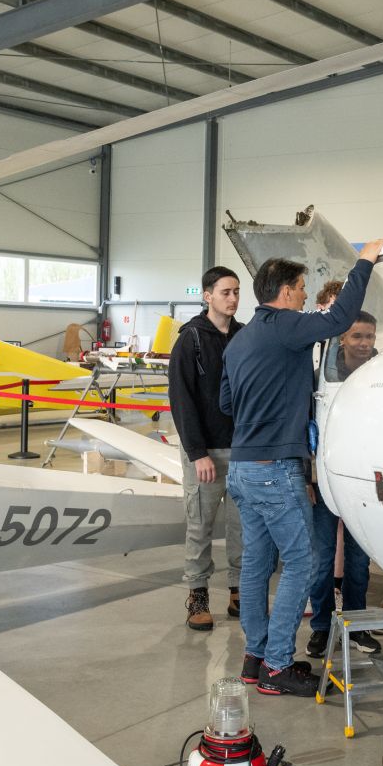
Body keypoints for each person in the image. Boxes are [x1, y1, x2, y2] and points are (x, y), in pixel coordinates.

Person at [222, 240, 383, 696]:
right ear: (286, 292)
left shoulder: (240, 341)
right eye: (300, 287)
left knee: (256, 564)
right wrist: (365, 262)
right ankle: (277, 666)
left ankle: (255, 658)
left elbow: (226, 403)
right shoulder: (286, 326)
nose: (303, 295)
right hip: (275, 469)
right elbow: (339, 319)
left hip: (242, 468)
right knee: (301, 562)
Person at [168, 265, 244, 632]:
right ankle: (197, 594)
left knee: (243, 527)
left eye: (237, 292)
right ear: (207, 295)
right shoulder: (190, 340)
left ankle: (239, 590)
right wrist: (197, 453)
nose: (233, 298)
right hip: (206, 453)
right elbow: (181, 399)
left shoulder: (244, 337)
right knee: (200, 526)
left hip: (242, 451)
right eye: (226, 292)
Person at [306, 311, 379, 659]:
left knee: (358, 562)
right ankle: (322, 627)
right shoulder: (322, 377)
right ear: (343, 339)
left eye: (369, 336)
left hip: (362, 484)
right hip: (325, 479)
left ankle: (356, 625)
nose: (364, 343)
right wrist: (309, 475)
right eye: (357, 336)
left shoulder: (381, 373)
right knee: (321, 560)